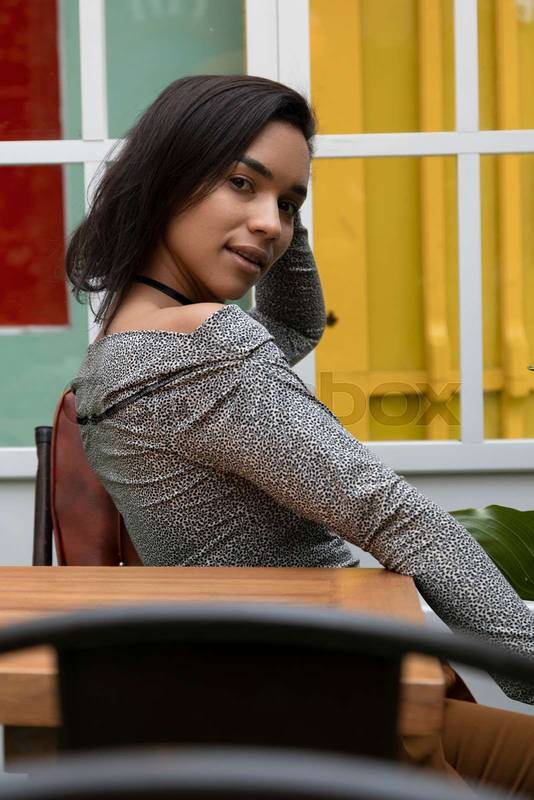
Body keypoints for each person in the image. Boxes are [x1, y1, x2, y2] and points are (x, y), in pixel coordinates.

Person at [68, 75, 534, 794]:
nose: (271, 224)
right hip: (339, 707)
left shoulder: (120, 352)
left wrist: (274, 215)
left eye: (289, 204)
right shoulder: (201, 354)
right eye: (239, 183)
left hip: (286, 696)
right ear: (166, 178)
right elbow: (395, 517)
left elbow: (292, 328)